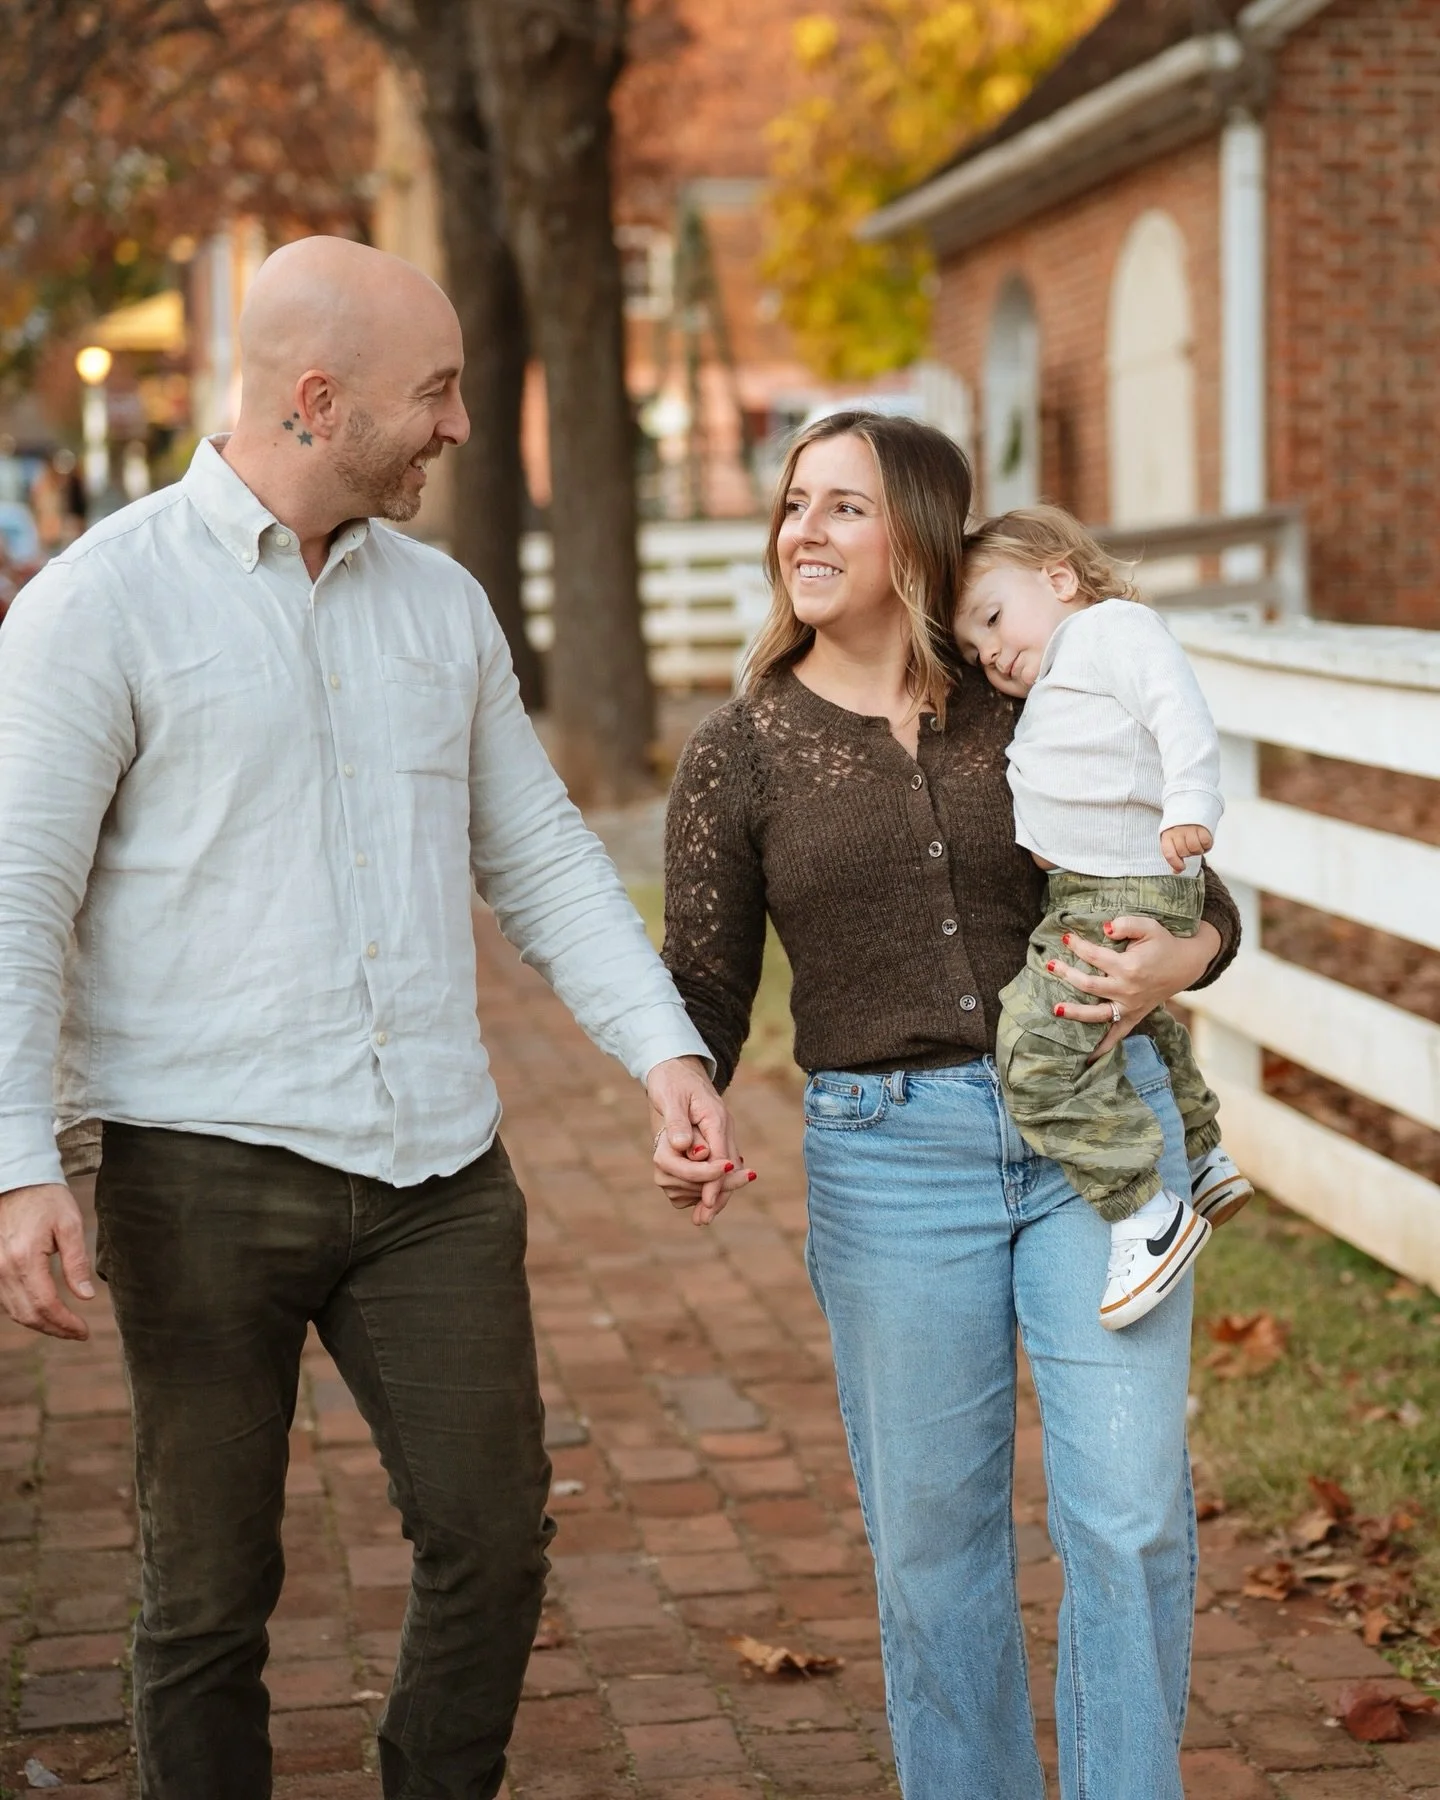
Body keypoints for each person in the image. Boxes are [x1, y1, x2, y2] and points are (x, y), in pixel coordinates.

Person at [0, 235, 742, 1800]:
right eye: (438, 393)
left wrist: (664, 1049)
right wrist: (19, 1165)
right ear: (320, 401)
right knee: (209, 1594)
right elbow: (18, 900)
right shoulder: (97, 607)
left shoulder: (443, 606)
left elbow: (538, 852)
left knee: (494, 1535)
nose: (461, 426)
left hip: (436, 1173)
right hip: (199, 1168)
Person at [653, 411, 1241, 1800]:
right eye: (795, 503)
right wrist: (685, 1094)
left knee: (1131, 1519)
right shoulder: (741, 752)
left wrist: (1189, 956)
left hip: (1099, 1140)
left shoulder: (1033, 690)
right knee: (934, 1552)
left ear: (916, 533)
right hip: (892, 1164)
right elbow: (705, 981)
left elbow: (1192, 892)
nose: (803, 531)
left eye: (844, 506)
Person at [954, 505, 1252, 1331]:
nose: (991, 655)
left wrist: (1189, 803)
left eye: (993, 619)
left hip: (1126, 887)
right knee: (1134, 1025)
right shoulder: (1062, 674)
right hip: (1093, 888)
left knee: (1035, 1052)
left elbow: (1177, 708)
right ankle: (1202, 1151)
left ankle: (1144, 1214)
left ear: (1060, 578)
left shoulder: (1110, 630)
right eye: (975, 651)